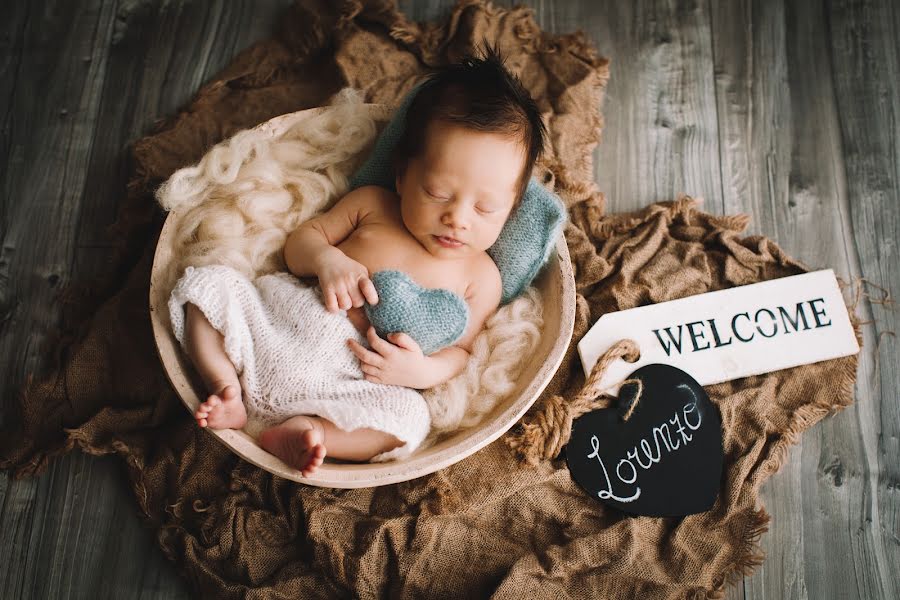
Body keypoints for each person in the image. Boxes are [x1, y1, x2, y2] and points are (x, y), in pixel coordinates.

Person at [172, 48, 546, 477]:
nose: (457, 218)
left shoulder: (481, 277)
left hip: (352, 379)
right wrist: (326, 259)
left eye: (485, 209)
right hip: (284, 324)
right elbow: (300, 244)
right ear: (403, 175)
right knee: (207, 285)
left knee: (410, 421)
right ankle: (226, 388)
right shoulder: (372, 206)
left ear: (512, 209)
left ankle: (311, 431)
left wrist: (420, 370)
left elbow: (461, 354)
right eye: (438, 193)